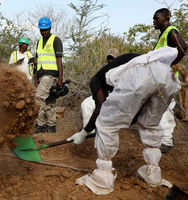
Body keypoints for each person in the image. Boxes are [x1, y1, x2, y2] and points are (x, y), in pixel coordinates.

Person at [67, 46, 180, 195]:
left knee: (106, 123)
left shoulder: (96, 80)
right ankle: (152, 173)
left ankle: (102, 179)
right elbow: (137, 111)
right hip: (168, 75)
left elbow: (101, 108)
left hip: (142, 74)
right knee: (150, 124)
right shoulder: (124, 66)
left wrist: (84, 132)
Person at [153, 8, 187, 153]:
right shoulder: (163, 35)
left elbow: (183, 47)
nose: (154, 21)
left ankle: (166, 142)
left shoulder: (171, 31)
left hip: (168, 78)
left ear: (166, 18)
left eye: (157, 18)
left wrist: (170, 65)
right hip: (163, 78)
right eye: (154, 19)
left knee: (165, 108)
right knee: (163, 107)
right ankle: (163, 138)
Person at [34, 17, 63, 134]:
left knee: (38, 97)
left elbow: (59, 60)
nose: (44, 32)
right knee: (50, 100)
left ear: (50, 28)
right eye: (42, 30)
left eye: (46, 29)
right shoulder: (39, 42)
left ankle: (40, 124)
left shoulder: (56, 40)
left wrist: (60, 78)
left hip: (51, 74)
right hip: (41, 74)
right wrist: (35, 77)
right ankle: (51, 126)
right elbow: (37, 60)